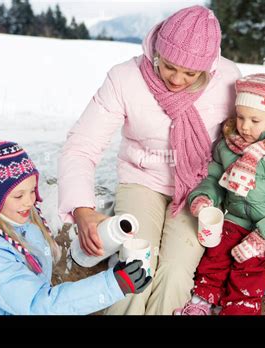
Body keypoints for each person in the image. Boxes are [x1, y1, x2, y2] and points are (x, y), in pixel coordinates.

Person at [58, 5, 241, 314]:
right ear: (157, 49)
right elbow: (81, 145)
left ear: (208, 68)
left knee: (175, 271)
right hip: (141, 181)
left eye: (191, 73)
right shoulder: (125, 78)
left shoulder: (227, 80)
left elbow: (251, 132)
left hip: (198, 189)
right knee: (137, 261)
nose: (178, 79)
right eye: (169, 66)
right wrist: (83, 210)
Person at [0, 140, 151, 315]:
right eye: (19, 195)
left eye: (31, 190)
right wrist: (113, 285)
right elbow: (36, 304)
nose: (29, 202)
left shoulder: (22, 225)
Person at [174, 73, 265, 315]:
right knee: (216, 251)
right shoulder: (228, 145)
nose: (244, 126)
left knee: (249, 262)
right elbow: (213, 179)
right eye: (240, 117)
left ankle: (241, 309)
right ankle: (202, 301)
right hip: (237, 220)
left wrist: (264, 236)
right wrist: (205, 198)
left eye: (255, 120)